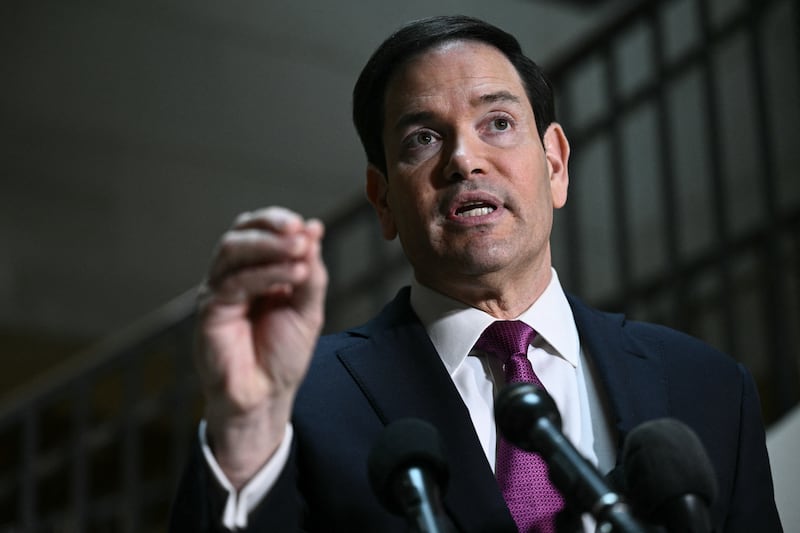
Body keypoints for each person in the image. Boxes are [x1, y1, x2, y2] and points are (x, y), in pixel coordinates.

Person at [170, 15, 782, 533]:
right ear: (382, 200)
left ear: (556, 164)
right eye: (422, 139)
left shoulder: (710, 390)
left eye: (497, 123)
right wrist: (249, 428)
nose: (464, 158)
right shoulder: (301, 405)